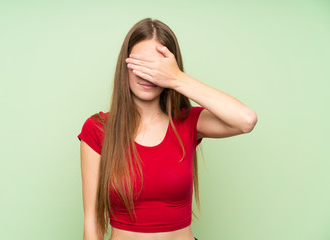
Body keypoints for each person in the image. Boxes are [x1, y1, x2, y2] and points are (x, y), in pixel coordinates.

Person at [77, 18, 257, 240]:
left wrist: (177, 78)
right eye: (140, 64)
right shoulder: (98, 129)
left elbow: (246, 120)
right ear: (125, 65)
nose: (147, 74)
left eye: (157, 67)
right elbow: (92, 221)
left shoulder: (188, 121)